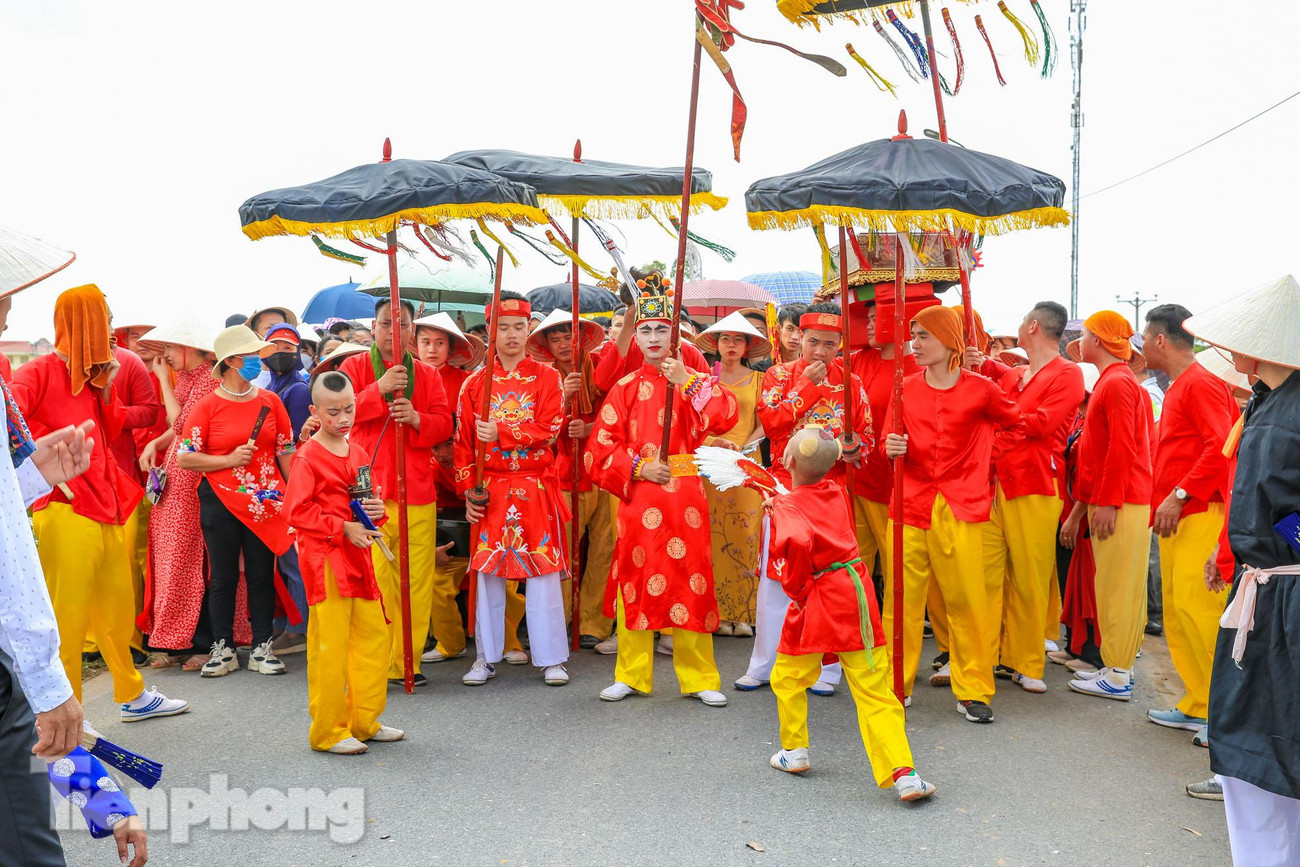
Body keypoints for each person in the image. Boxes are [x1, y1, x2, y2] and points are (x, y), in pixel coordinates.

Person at [0, 268, 147, 865]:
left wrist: (31, 475)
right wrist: (50, 688)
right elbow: (7, 553)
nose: (8, 308)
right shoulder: (30, 373)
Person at [14, 285, 188, 721]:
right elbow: (10, 423)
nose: (111, 329)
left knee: (115, 609)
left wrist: (108, 389)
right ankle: (66, 708)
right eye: (106, 320)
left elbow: (110, 431)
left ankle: (131, 694)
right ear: (86, 323)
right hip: (64, 506)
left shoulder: (97, 377)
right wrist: (37, 458)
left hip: (109, 501)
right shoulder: (38, 372)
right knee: (67, 618)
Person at [1185, 275, 1300, 857]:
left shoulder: (1287, 412)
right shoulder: (1270, 401)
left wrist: (1285, 545)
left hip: (1285, 596)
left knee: (1271, 747)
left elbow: (1283, 509)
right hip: (1269, 588)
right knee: (1264, 747)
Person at [587, 284, 738, 707]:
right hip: (640, 497)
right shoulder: (625, 387)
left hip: (686, 496)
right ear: (634, 337)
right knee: (634, 582)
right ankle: (631, 674)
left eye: (662, 329)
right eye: (646, 329)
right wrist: (637, 467)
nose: (654, 338)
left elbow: (725, 416)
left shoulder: (694, 381)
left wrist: (687, 380)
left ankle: (699, 677)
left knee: (692, 581)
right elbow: (599, 446)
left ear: (677, 337)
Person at [765, 428, 935, 803]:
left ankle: (794, 750)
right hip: (852, 593)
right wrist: (781, 504)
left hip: (816, 597)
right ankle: (905, 774)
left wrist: (797, 588)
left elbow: (795, 542)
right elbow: (809, 507)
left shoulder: (787, 504)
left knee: (789, 675)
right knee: (872, 688)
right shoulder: (836, 491)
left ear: (788, 461)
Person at [881, 306, 1024, 722]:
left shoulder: (981, 389)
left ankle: (974, 688)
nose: (915, 344)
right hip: (908, 503)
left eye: (923, 336)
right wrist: (890, 448)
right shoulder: (903, 387)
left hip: (961, 505)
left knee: (967, 601)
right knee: (901, 602)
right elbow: (888, 441)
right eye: (913, 335)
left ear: (949, 341)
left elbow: (1017, 427)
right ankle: (895, 684)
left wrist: (984, 460)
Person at [750, 303, 870, 696]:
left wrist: (855, 449)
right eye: (813, 342)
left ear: (840, 344)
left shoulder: (851, 382)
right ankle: (766, 663)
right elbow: (771, 424)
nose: (820, 352)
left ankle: (827, 669)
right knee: (777, 578)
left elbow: (864, 433)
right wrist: (807, 388)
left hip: (831, 493)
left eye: (830, 344)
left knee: (827, 580)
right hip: (785, 491)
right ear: (799, 337)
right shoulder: (777, 375)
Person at [284, 371, 405, 754]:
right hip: (327, 561)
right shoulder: (307, 457)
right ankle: (328, 732)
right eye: (333, 412)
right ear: (315, 411)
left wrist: (375, 511)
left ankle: (364, 721)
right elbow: (295, 511)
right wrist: (341, 528)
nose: (343, 419)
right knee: (331, 647)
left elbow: (368, 501)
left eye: (349, 410)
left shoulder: (358, 451)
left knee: (373, 638)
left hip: (360, 557)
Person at [454, 293, 571, 687]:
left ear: (528, 330)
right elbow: (462, 444)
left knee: (542, 571)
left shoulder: (547, 377)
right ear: (490, 331)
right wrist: (470, 491)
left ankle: (551, 657)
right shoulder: (474, 384)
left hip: (535, 485)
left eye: (519, 327)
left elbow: (551, 429)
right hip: (492, 488)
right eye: (502, 327)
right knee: (487, 574)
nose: (511, 335)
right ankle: (485, 656)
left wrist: (502, 431)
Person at [972, 302, 1084, 694]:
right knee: (985, 576)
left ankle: (1025, 660)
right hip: (994, 482)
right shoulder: (1018, 373)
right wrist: (982, 368)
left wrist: (1002, 413)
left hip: (1035, 484)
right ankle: (982, 657)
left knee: (1029, 578)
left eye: (1021, 322)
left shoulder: (1069, 374)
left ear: (1033, 326)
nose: (1019, 327)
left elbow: (1042, 423)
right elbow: (1000, 403)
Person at [340, 299, 453, 689]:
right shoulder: (352, 367)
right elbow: (338, 415)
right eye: (386, 323)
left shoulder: (427, 374)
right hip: (368, 491)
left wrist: (418, 418)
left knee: (416, 579)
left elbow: (444, 424)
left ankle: (408, 660)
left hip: (417, 490)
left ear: (412, 330)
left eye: (401, 324)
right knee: (375, 578)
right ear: (374, 327)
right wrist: (378, 390)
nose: (393, 331)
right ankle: (377, 659)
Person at [1139, 304, 1238, 741]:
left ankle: (1224, 715)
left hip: (1199, 511)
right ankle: (1199, 702)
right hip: (1180, 515)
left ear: (1161, 340)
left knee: (1200, 612)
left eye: (1144, 337)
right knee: (1180, 612)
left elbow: (1220, 447)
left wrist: (1179, 494)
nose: (1140, 345)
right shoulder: (1183, 384)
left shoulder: (1199, 382)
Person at [178, 324, 297, 678]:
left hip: (265, 500)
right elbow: (186, 457)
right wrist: (228, 461)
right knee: (223, 577)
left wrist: (295, 498)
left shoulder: (271, 401)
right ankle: (223, 648)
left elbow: (286, 452)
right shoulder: (207, 406)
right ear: (231, 361)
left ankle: (262, 646)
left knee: (263, 574)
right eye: (252, 356)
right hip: (219, 499)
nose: (259, 362)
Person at [1063, 311, 1154, 702]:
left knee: (1117, 587)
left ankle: (1117, 673)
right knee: (1119, 586)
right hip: (1123, 498)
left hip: (1122, 499)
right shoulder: (1114, 381)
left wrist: (1108, 501)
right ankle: (1117, 669)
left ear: (1098, 340)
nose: (1080, 341)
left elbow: (1121, 448)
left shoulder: (1116, 383)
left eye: (1084, 334)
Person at [525, 309, 613, 649]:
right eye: (556, 338)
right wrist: (563, 400)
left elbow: (619, 413)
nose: (563, 345)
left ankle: (594, 622)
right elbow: (535, 425)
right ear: (546, 344)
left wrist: (592, 428)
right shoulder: (541, 377)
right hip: (561, 474)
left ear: (582, 340)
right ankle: (557, 620)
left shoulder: (601, 367)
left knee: (604, 549)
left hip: (604, 471)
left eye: (569, 337)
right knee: (560, 553)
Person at [136, 319, 221, 670]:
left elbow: (182, 425)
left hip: (195, 477)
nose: (166, 356)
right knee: (174, 557)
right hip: (177, 473)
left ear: (190, 347)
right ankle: (176, 639)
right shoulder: (189, 376)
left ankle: (201, 641)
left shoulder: (209, 378)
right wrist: (156, 444)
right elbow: (177, 429)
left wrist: (161, 382)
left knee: (192, 558)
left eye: (170, 348)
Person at [694, 312, 770, 637]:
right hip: (710, 463)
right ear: (716, 344)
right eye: (725, 338)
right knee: (712, 536)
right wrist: (715, 445)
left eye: (738, 339)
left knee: (746, 535)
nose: (731, 345)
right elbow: (694, 420)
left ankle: (745, 613)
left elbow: (766, 420)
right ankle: (718, 612)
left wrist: (744, 447)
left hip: (746, 461)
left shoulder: (760, 381)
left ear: (747, 346)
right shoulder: (703, 382)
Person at [849, 300, 921, 588]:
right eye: (866, 318)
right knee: (855, 556)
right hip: (856, 475)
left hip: (890, 482)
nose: (868, 324)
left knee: (894, 558)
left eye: (875, 318)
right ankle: (856, 620)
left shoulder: (916, 369)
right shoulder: (859, 359)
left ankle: (893, 628)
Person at [264, 322, 312, 657]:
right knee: (283, 560)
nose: (282, 354)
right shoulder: (274, 386)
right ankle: (290, 623)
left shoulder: (297, 390)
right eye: (274, 348)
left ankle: (302, 628)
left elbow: (295, 443)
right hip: (275, 480)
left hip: (290, 479)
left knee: (293, 558)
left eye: (288, 348)